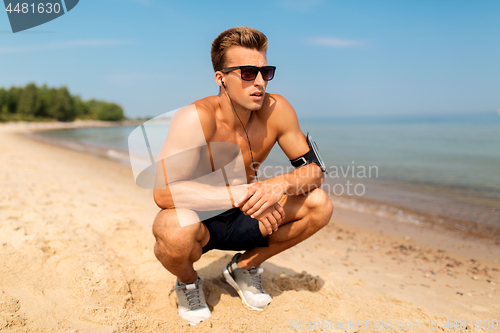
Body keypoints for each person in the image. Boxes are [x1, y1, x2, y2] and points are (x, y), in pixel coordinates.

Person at [152, 26, 333, 325]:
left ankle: (244, 266)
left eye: (266, 72)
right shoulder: (194, 118)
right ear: (220, 78)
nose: (260, 82)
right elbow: (162, 193)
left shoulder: (277, 110)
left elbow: (315, 171)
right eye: (248, 73)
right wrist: (237, 194)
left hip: (247, 213)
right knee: (172, 229)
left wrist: (277, 185)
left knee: (319, 204)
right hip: (199, 217)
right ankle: (187, 282)